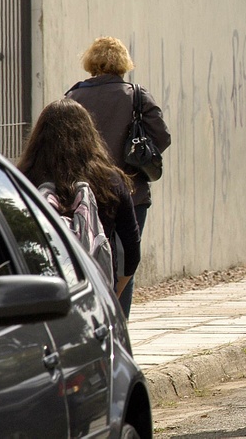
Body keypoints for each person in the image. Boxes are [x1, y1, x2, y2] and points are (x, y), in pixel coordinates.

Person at [67, 36, 171, 318]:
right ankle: (119, 324)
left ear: (91, 62)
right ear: (123, 62)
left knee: (86, 258)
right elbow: (162, 137)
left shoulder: (73, 97)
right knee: (125, 262)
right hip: (132, 192)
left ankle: (91, 320)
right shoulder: (136, 95)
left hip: (85, 195)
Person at [17, 98, 141, 298]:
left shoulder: (23, 180)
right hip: (95, 286)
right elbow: (131, 249)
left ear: (38, 138)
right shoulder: (110, 181)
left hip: (39, 292)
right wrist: (113, 293)